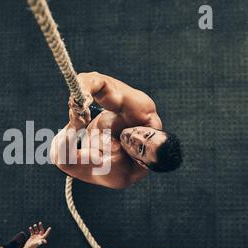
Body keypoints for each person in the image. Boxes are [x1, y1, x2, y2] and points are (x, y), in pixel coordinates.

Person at [50, 72, 183, 189]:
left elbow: (62, 161)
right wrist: (84, 93)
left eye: (140, 149)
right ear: (155, 129)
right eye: (147, 134)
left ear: (140, 162)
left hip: (78, 151)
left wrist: (74, 126)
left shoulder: (117, 170)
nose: (136, 137)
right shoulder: (142, 111)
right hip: (96, 119)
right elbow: (94, 79)